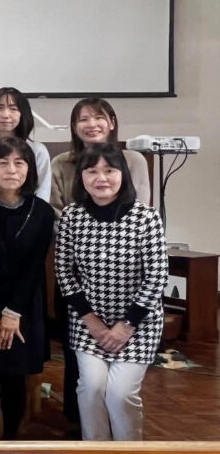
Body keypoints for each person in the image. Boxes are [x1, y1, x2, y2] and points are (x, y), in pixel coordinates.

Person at [48, 97, 151, 435]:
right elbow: (65, 272)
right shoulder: (72, 216)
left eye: (109, 170)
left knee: (120, 394)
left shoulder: (144, 216)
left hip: (135, 322)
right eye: (92, 171)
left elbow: (155, 277)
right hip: (87, 318)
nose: (101, 178)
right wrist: (92, 322)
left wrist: (126, 325)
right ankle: (93, 449)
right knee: (89, 387)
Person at [0, 137, 54, 440]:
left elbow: (35, 266)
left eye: (19, 163)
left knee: (14, 375)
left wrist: (12, 312)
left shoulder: (43, 212)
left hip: (23, 304)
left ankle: (10, 439)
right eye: (2, 162)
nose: (11, 169)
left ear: (30, 169)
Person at [50, 97, 151, 214]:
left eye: (99, 118)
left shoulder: (134, 160)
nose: (92, 124)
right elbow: (54, 209)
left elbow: (140, 207)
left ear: (112, 123)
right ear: (74, 127)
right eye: (84, 119)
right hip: (72, 229)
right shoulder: (61, 162)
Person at [0, 87, 52, 202]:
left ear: (22, 114)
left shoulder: (37, 151)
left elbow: (43, 192)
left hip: (29, 215)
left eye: (13, 109)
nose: (6, 115)